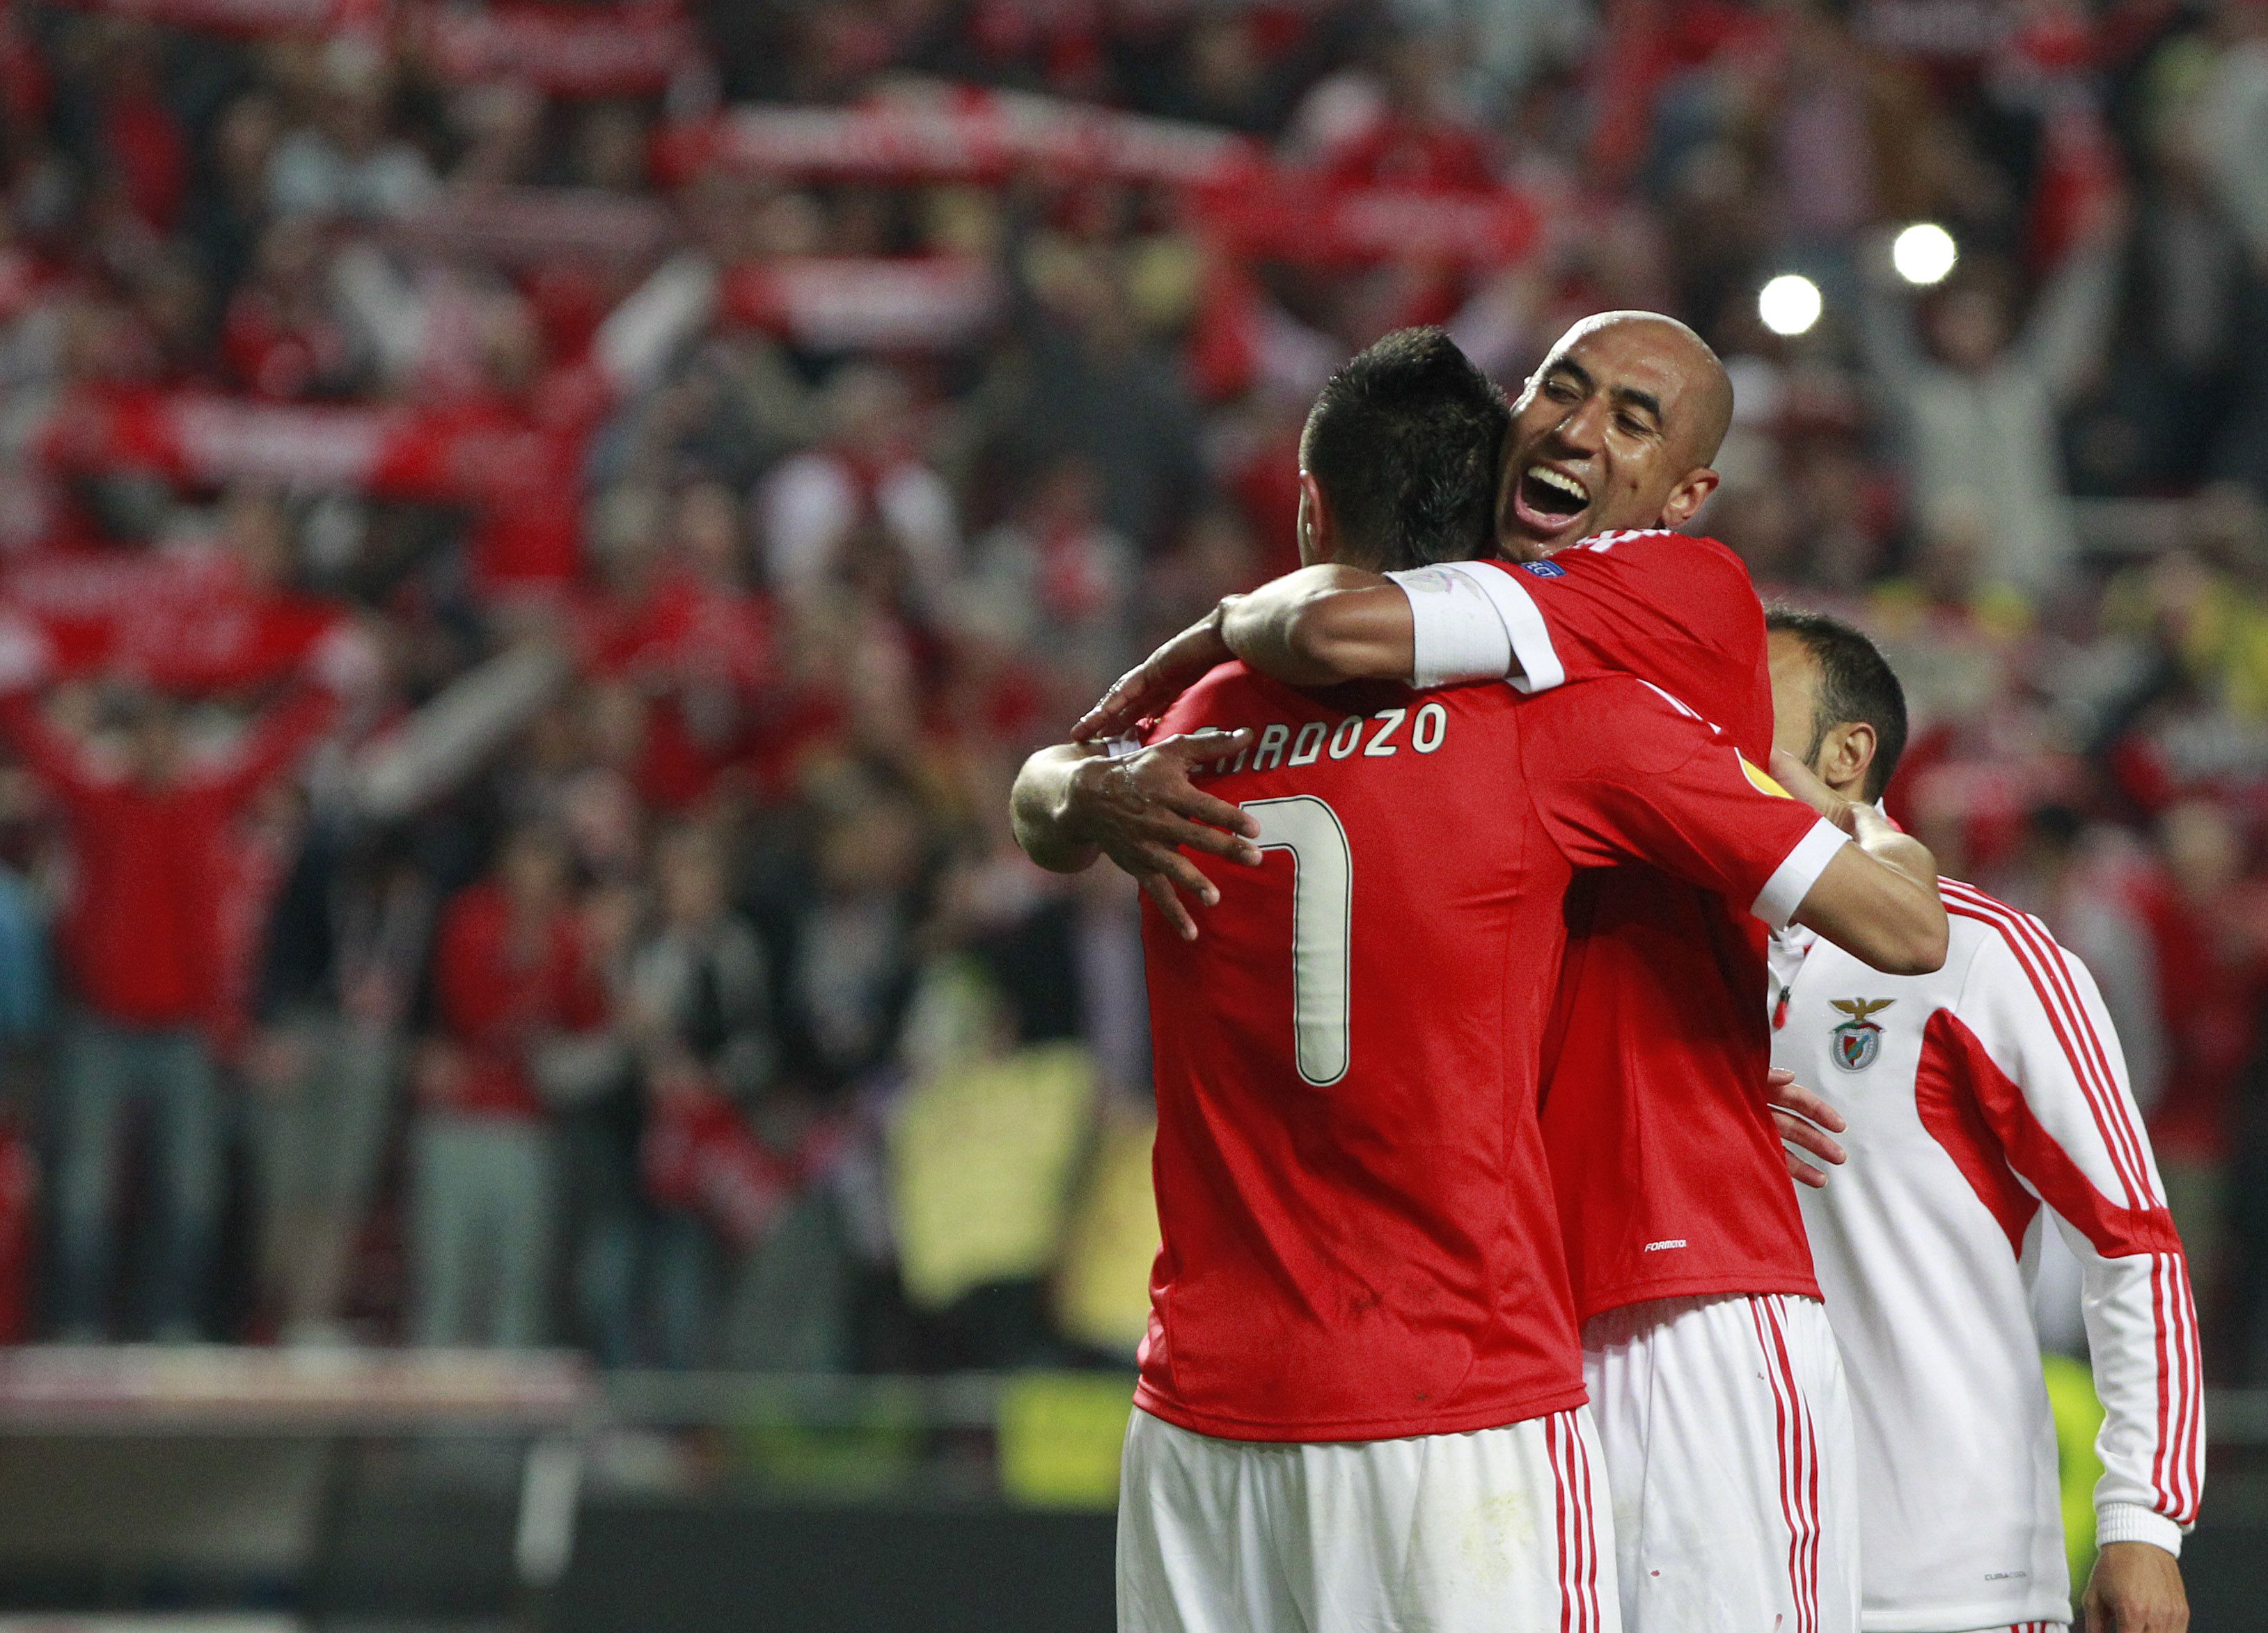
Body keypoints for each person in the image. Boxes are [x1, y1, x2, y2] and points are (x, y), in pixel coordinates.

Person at [1012, 329, 1947, 1632]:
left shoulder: (1198, 728)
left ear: (1306, 508)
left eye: (1630, 416)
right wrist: (1839, 820)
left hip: (1210, 1395)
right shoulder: (1565, 728)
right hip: (1464, 1369)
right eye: (1557, 390)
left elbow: (1050, 793)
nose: (1575, 429)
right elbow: (1900, 931)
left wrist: (1086, 765)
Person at [1763, 606, 2202, 1633]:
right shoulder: (1659, 962)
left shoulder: (1982, 955)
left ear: (1846, 754)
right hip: (1718, 1560)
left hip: (1943, 1578)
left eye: (1743, 701)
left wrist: (2142, 1515)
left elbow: (2128, 1236)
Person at [0, 665, 339, 1341]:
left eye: (169, 740)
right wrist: (15, 678)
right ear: (130, 746)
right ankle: (77, 1329)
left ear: (182, 747)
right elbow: (39, 746)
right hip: (103, 1024)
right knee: (84, 1192)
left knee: (188, 1192)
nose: (158, 753)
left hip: (185, 1029)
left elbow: (274, 747)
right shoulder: (101, 802)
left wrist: (327, 685)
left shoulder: (205, 800)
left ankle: (173, 1325)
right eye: (146, 739)